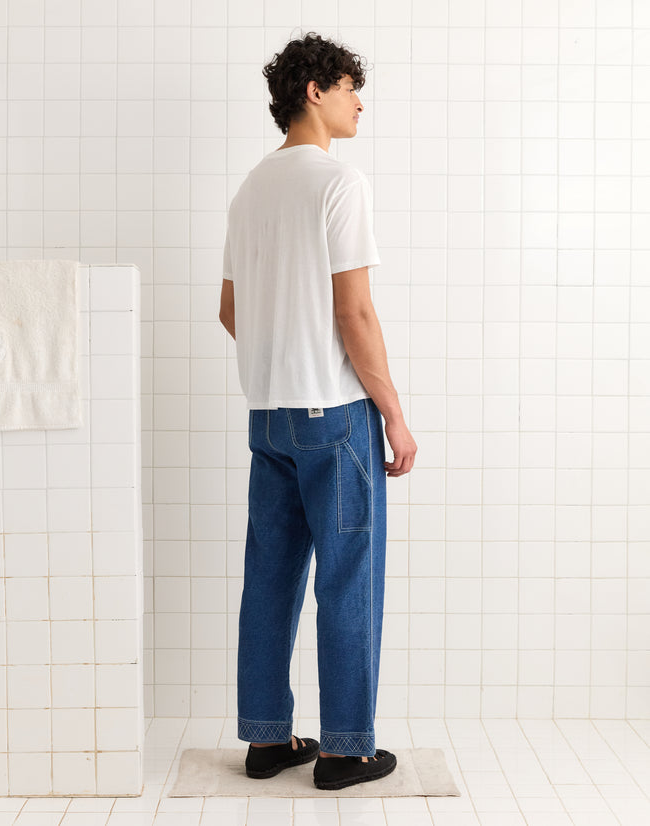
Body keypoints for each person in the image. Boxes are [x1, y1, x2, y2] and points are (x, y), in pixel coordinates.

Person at [219, 31, 417, 791]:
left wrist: (282, 355)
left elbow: (230, 310)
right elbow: (354, 312)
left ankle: (267, 741)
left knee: (269, 578)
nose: (359, 102)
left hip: (268, 415)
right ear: (314, 91)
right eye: (349, 88)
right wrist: (392, 413)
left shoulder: (250, 190)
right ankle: (345, 751)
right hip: (334, 416)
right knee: (348, 579)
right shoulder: (339, 183)